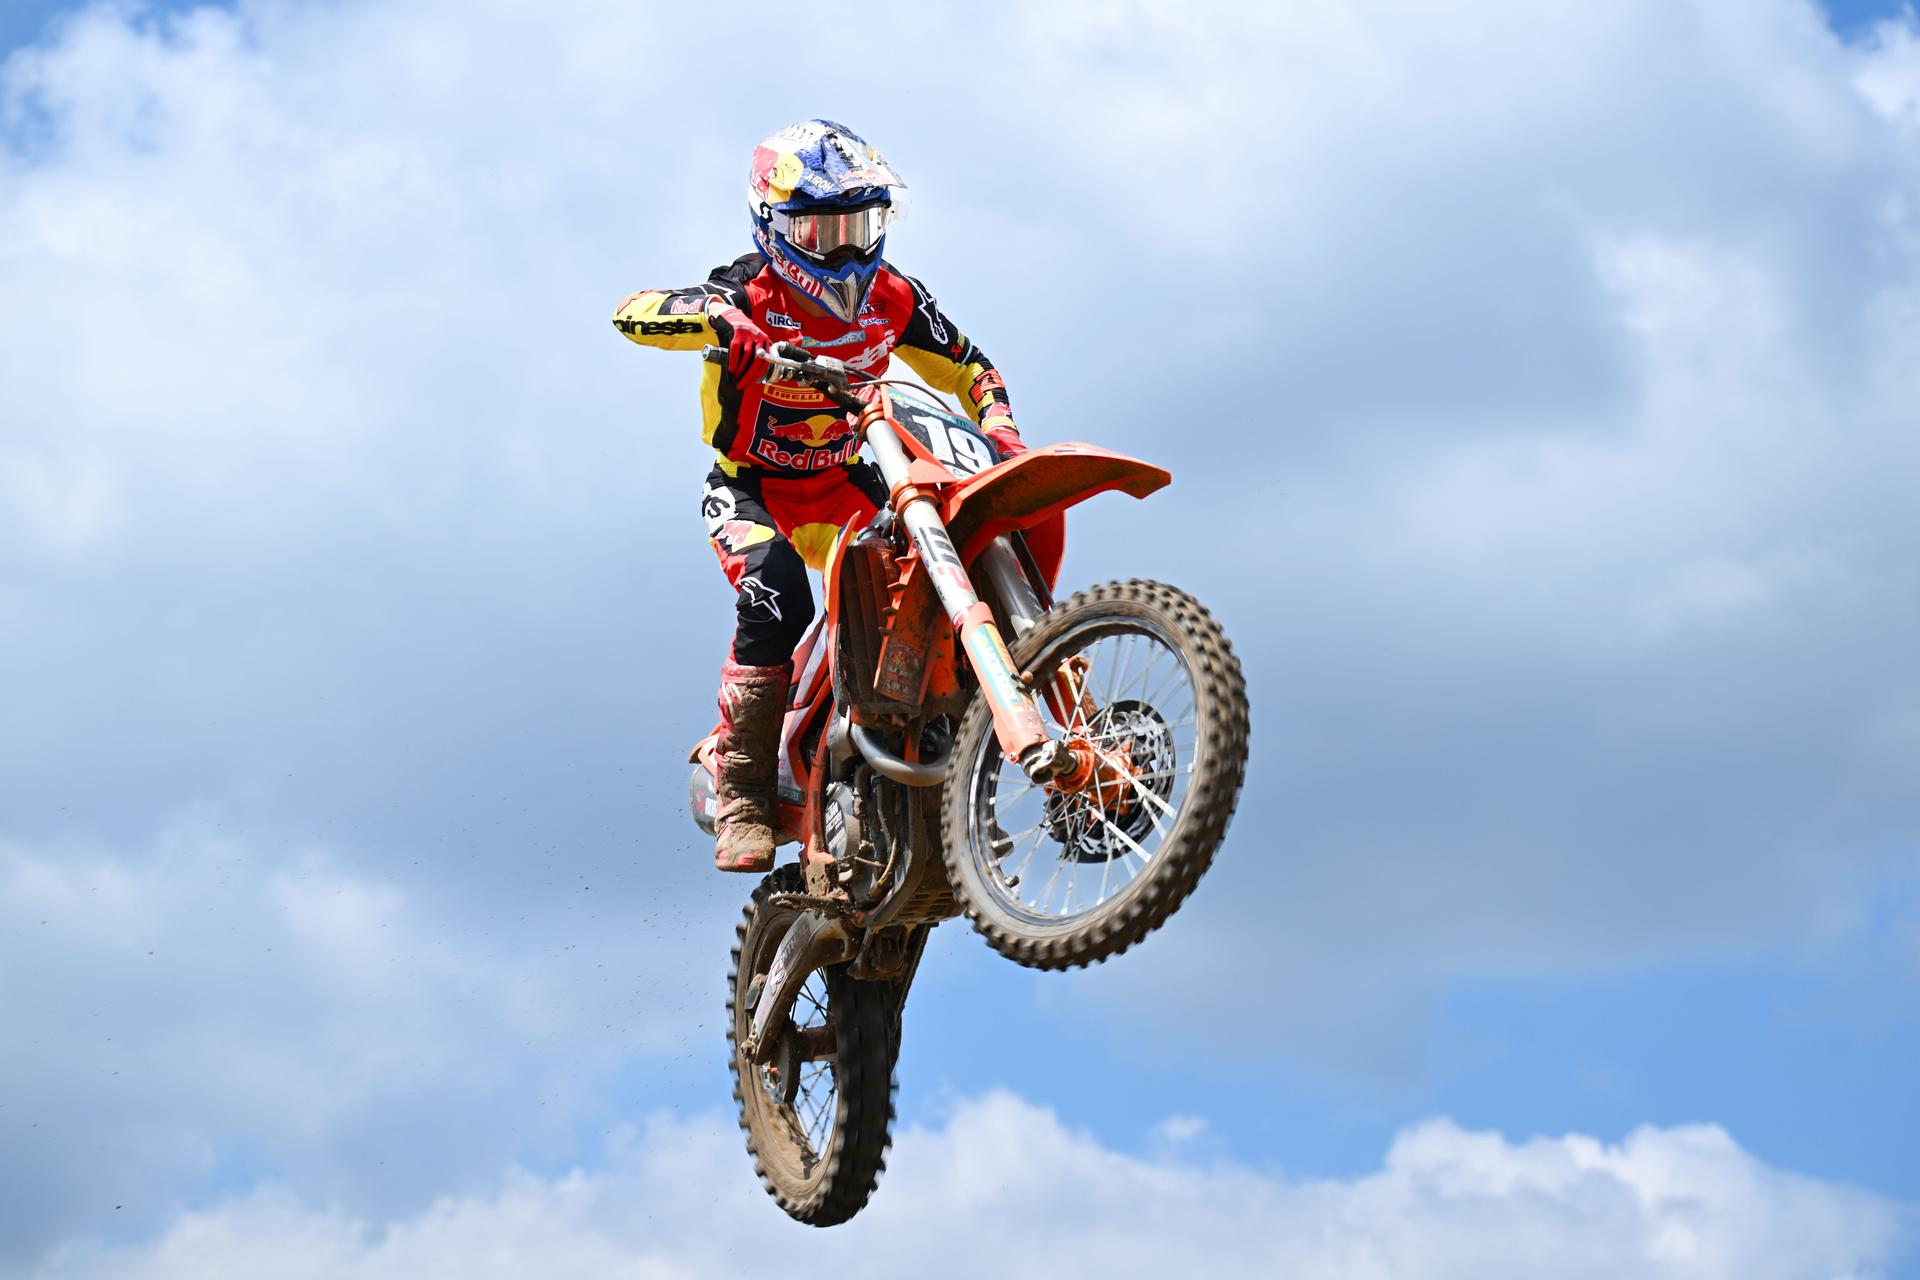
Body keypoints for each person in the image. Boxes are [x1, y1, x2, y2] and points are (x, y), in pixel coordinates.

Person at [612, 119, 1027, 873]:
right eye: (819, 227)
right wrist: (713, 315)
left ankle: (954, 778)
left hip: (847, 476)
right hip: (753, 489)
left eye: (857, 224)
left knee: (932, 570)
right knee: (777, 596)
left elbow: (972, 366)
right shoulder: (747, 287)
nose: (841, 247)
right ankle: (741, 786)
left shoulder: (895, 297)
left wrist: (1003, 433)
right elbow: (632, 310)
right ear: (773, 225)